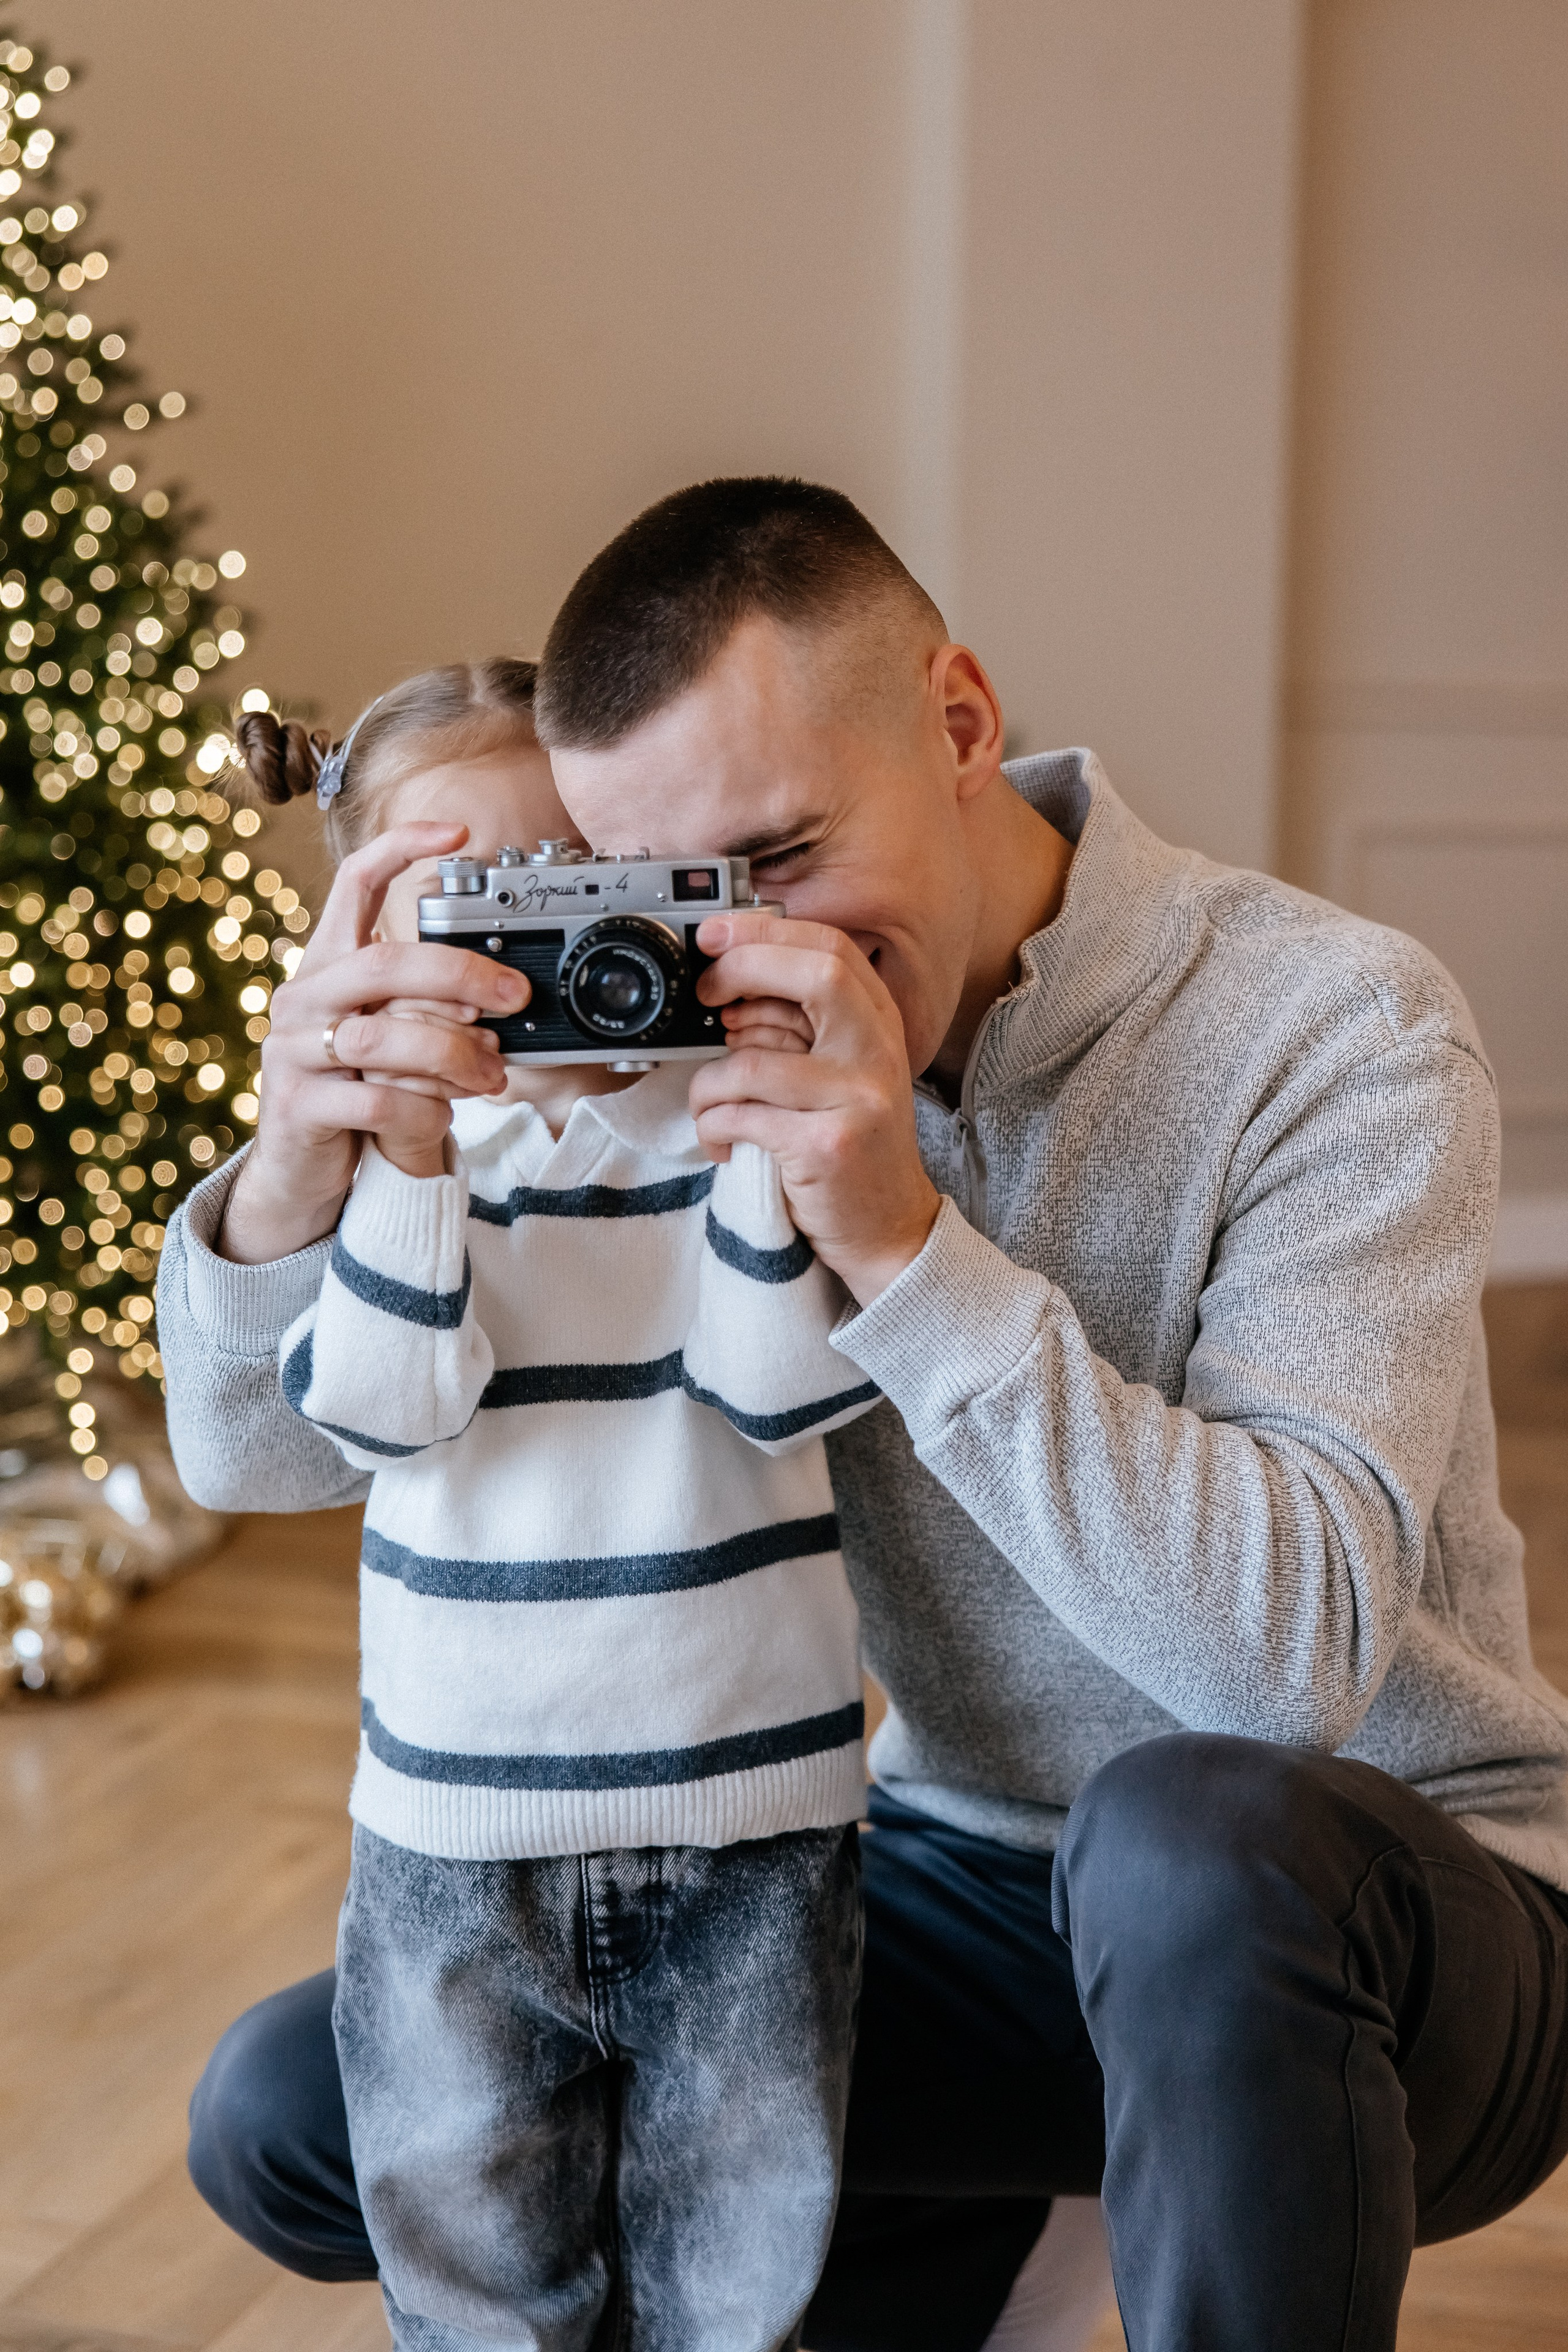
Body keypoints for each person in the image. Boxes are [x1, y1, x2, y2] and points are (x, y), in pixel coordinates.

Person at [163, 481, 1568, 2351]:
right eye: (681, 890)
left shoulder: (1336, 1029)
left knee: (1188, 1842)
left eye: (790, 851)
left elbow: (1277, 1673)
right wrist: (302, 1160)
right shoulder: (680, 1075)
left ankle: (1100, 2188)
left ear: (961, 725)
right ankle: (1044, 2188)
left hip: (1390, 1913)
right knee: (295, 2116)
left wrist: (905, 1251)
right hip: (964, 1885)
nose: (753, 946)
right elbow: (257, 1457)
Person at [205, 657, 875, 2351]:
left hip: (755, 1823)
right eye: (481, 914)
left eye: (590, 886)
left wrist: (756, 1141)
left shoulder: (736, 1128)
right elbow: (375, 1407)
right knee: (474, 2279)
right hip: (454, 1835)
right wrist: (413, 1161)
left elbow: (782, 1389)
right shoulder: (404, 1169)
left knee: (742, 2282)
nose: (548, 955)